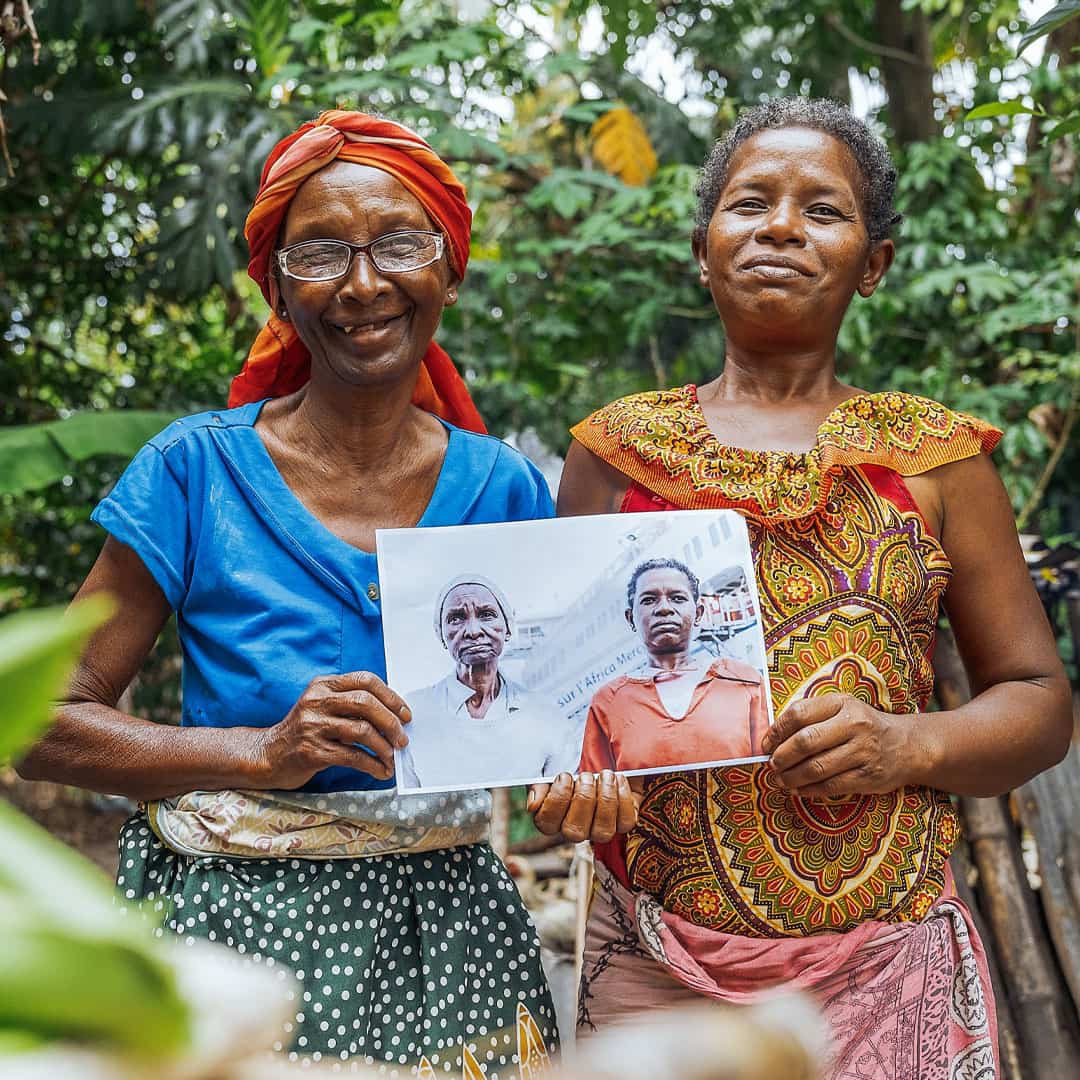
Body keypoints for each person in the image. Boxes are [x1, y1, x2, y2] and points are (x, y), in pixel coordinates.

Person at [16, 110, 634, 1075]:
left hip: (456, 948)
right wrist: (262, 752)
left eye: (399, 244)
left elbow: (553, 735)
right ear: (275, 287)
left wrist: (578, 789)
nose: (363, 284)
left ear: (450, 270)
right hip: (232, 941)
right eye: (319, 255)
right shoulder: (193, 474)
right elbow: (40, 723)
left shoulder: (506, 490)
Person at [557, 99, 1071, 1079]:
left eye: (822, 210)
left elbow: (1040, 702)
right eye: (750, 203)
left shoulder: (935, 458)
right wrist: (576, 788)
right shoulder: (616, 454)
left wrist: (908, 743)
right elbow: (566, 707)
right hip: (656, 966)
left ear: (873, 264)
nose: (782, 228)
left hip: (890, 967)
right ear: (702, 249)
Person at [578, 558, 768, 774]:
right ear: (631, 619)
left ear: (698, 613)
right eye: (649, 600)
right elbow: (596, 785)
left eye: (677, 598)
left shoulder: (744, 681)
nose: (664, 608)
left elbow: (769, 773)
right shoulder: (608, 701)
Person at [398, 574, 575, 788]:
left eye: (487, 615)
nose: (473, 631)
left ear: (508, 628)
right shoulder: (414, 713)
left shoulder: (547, 715)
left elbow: (561, 797)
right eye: (456, 618)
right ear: (441, 634)